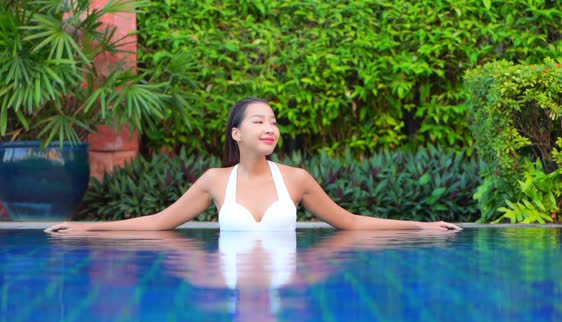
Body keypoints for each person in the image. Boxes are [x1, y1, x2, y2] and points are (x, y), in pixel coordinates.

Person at [45, 97, 461, 233]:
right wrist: (87, 227)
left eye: (274, 122)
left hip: (285, 285)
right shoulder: (214, 181)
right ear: (236, 134)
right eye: (259, 121)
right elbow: (158, 222)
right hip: (231, 285)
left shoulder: (296, 180)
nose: (270, 128)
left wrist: (421, 227)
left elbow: (350, 222)